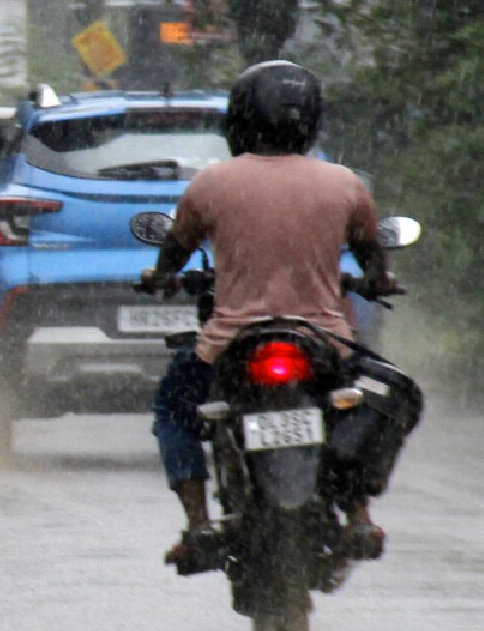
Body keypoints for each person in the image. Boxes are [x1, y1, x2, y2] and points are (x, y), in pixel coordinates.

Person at [140, 60, 395, 564]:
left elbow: (176, 250)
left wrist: (162, 276)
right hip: (323, 342)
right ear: (311, 120)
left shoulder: (212, 183)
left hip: (230, 345)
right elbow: (372, 257)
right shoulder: (344, 184)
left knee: (173, 408)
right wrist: (378, 281)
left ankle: (198, 523)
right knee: (364, 405)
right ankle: (358, 513)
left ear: (239, 118)